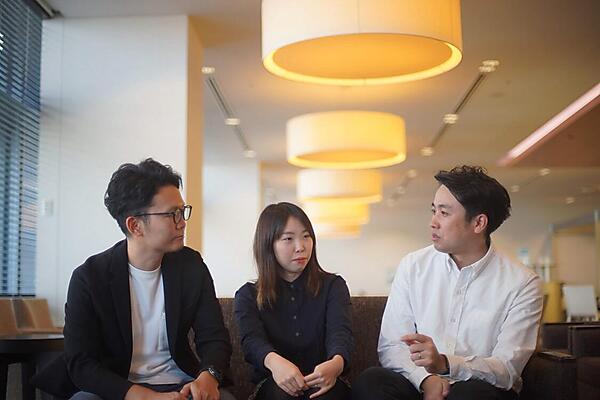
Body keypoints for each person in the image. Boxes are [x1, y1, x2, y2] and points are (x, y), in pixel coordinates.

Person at [353, 166, 543, 400]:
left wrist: (445, 364)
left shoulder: (523, 283)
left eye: (444, 213)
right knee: (372, 381)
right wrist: (426, 380)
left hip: (479, 389)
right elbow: (392, 346)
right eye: (434, 211)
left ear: (478, 223)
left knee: (468, 394)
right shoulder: (414, 266)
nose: (433, 222)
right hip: (420, 385)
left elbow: (506, 369)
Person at [52, 159, 233, 400]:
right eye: (172, 214)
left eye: (182, 211)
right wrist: (143, 396)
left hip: (181, 385)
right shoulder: (89, 278)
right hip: (119, 388)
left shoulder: (191, 266)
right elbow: (80, 362)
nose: (182, 222)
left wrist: (208, 376)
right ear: (135, 225)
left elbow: (214, 337)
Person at [234, 202, 353, 400]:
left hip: (325, 379)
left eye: (306, 236)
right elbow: (252, 341)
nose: (301, 247)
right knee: (281, 395)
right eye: (288, 239)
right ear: (268, 245)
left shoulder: (333, 286)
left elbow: (340, 332)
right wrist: (275, 363)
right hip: (273, 382)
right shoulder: (248, 295)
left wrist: (336, 363)